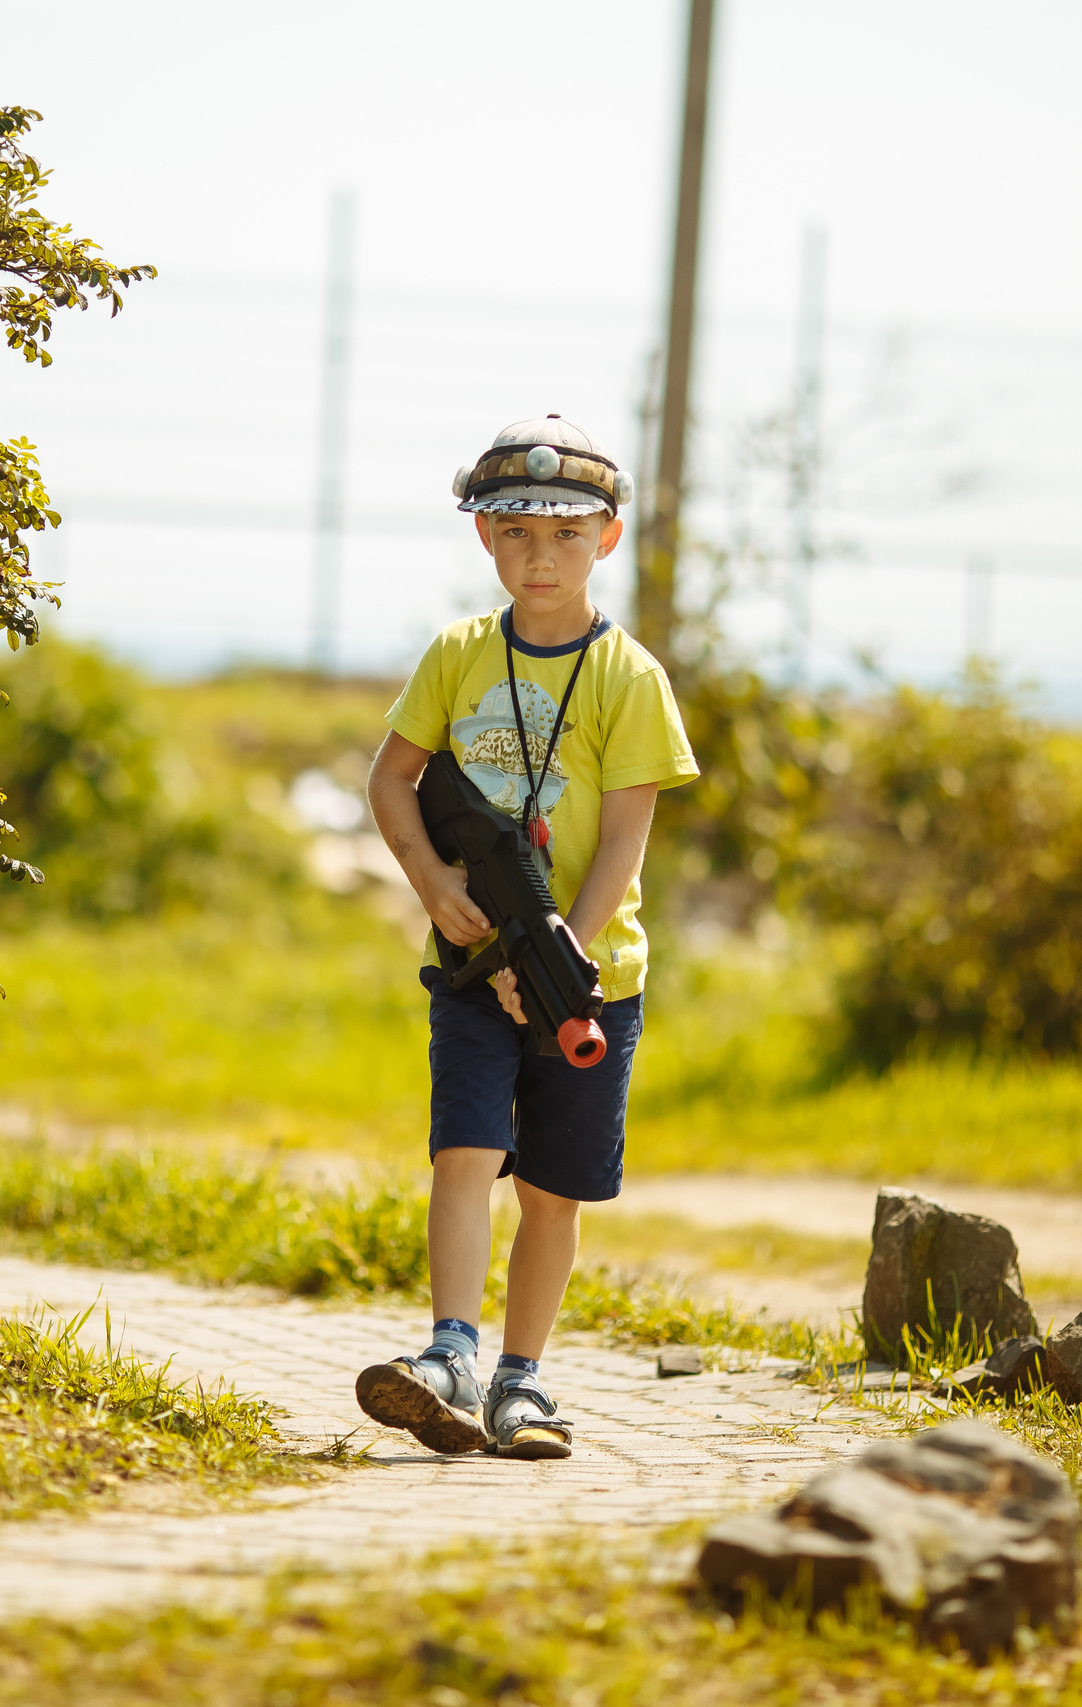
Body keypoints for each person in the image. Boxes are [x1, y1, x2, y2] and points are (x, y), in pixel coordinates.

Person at [356, 415, 698, 1460]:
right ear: (485, 544)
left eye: (563, 533)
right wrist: (432, 881)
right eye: (514, 534)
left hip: (589, 979)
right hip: (466, 967)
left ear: (607, 538)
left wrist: (552, 963)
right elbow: (390, 780)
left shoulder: (627, 677)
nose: (538, 555)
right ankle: (448, 1356)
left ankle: (521, 1384)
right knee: (466, 1150)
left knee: (553, 1188)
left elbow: (624, 845)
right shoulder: (460, 656)